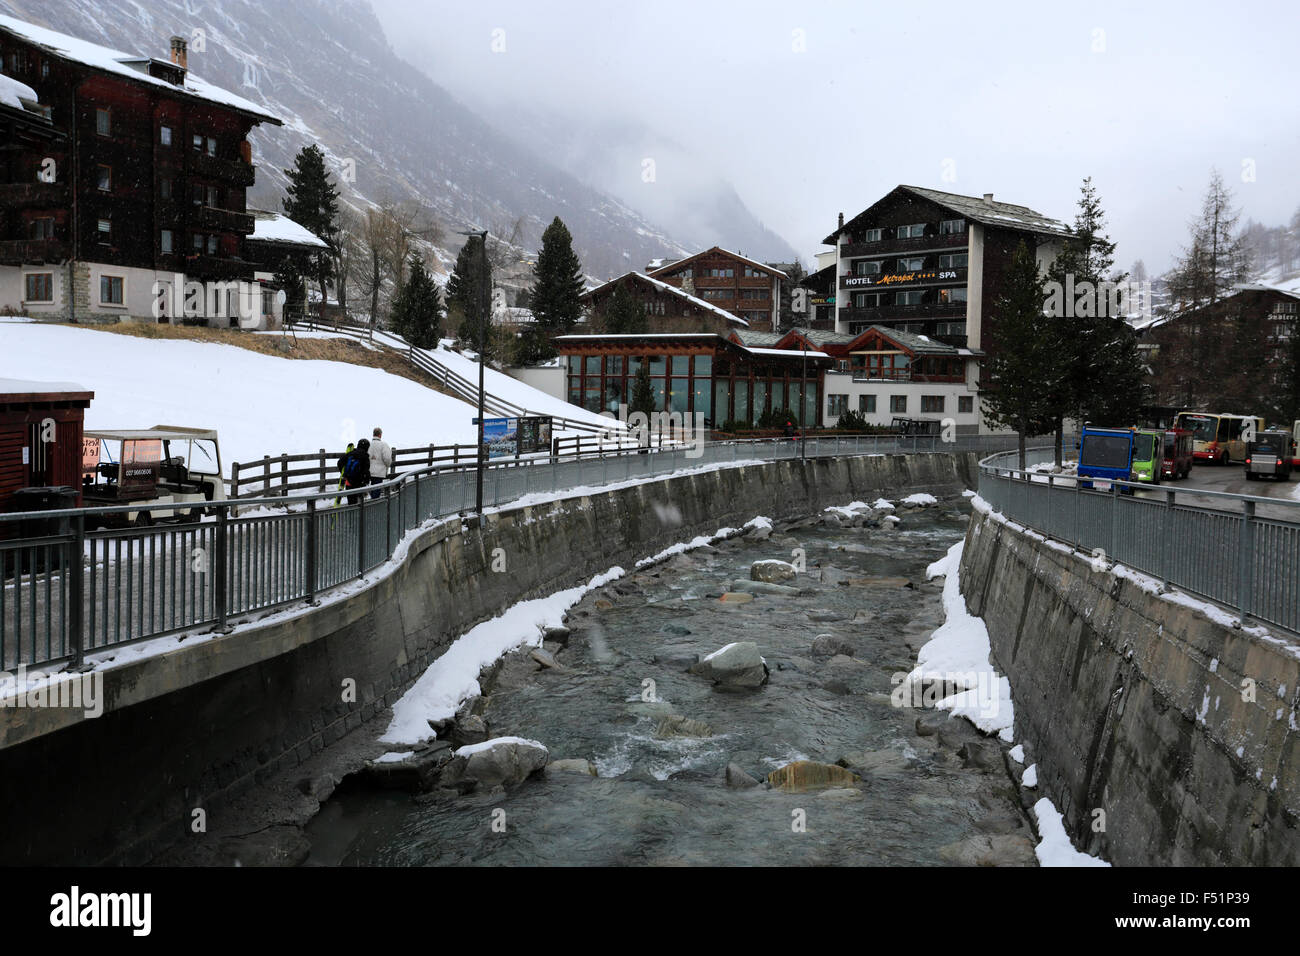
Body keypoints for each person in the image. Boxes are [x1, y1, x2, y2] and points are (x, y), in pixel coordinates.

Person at [343, 439, 370, 505]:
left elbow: (340, 462)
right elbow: (366, 470)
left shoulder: (351, 453)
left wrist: (344, 473)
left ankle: (351, 513)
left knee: (351, 502)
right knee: (359, 504)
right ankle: (358, 514)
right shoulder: (365, 456)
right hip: (359, 483)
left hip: (348, 482)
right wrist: (367, 481)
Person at [368, 427, 393, 499]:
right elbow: (387, 458)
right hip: (379, 472)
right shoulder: (383, 445)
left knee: (372, 487)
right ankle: (374, 506)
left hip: (369, 471)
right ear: (380, 435)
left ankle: (371, 503)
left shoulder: (369, 444)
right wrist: (387, 465)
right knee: (377, 489)